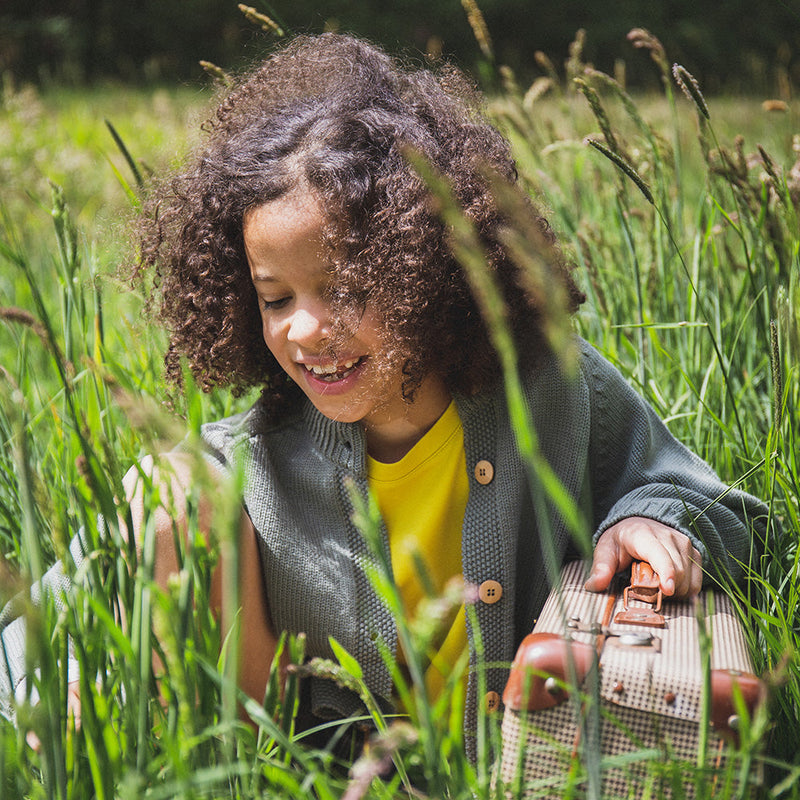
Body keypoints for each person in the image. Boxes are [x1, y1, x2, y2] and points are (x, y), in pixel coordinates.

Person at [1, 32, 770, 757]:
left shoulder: (551, 388)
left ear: (423, 268)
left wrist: (654, 519)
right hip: (328, 781)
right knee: (165, 494)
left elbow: (721, 509)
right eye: (274, 299)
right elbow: (37, 627)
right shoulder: (240, 472)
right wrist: (54, 693)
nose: (304, 328)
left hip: (523, 771)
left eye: (342, 288)